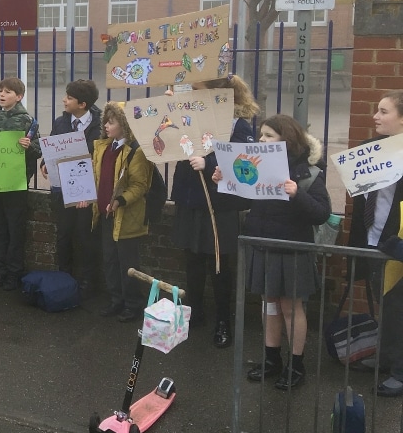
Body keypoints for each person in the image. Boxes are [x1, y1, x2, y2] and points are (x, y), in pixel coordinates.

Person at [214, 114, 331, 390]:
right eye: (261, 135)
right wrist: (223, 180)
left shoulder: (308, 173)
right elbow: (241, 199)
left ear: (286, 141)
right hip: (262, 243)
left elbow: (322, 213)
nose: (261, 140)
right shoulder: (258, 165)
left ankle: (296, 364)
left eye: (269, 136)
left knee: (291, 307)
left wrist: (297, 194)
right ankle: (271, 359)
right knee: (269, 304)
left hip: (291, 248)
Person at [170, 74, 259, 348]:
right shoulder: (193, 116)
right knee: (192, 260)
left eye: (197, 91)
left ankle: (223, 320)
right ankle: (194, 312)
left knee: (219, 265)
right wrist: (169, 111)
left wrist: (208, 164)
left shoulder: (239, 126)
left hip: (219, 206)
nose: (192, 94)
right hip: (191, 199)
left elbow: (245, 164)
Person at [348, 90, 403, 398]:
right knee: (386, 306)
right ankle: (385, 358)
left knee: (398, 308)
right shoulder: (368, 149)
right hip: (372, 239)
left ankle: (399, 370)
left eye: (384, 111)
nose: (376, 116)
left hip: (397, 244)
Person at [87, 102, 153, 322]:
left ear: (124, 124)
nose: (106, 125)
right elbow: (96, 177)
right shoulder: (104, 147)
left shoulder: (136, 151)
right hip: (106, 214)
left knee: (128, 264)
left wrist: (121, 200)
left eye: (111, 122)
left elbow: (139, 185)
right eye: (106, 121)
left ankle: (133, 304)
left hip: (126, 216)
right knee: (110, 260)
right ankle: (116, 300)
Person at [40, 79, 102, 298]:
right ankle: (63, 278)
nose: (64, 100)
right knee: (63, 236)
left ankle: (87, 281)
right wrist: (45, 163)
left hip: (88, 194)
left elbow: (102, 162)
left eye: (69, 97)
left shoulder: (100, 126)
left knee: (86, 238)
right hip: (62, 190)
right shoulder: (60, 122)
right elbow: (52, 148)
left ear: (82, 104)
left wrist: (90, 192)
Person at [0, 77, 42, 291]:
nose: (2, 94)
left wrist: (28, 146)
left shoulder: (28, 121)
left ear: (19, 96)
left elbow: (38, 150)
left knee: (15, 231)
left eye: (7, 91)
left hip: (15, 185)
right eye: (0, 90)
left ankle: (13, 274)